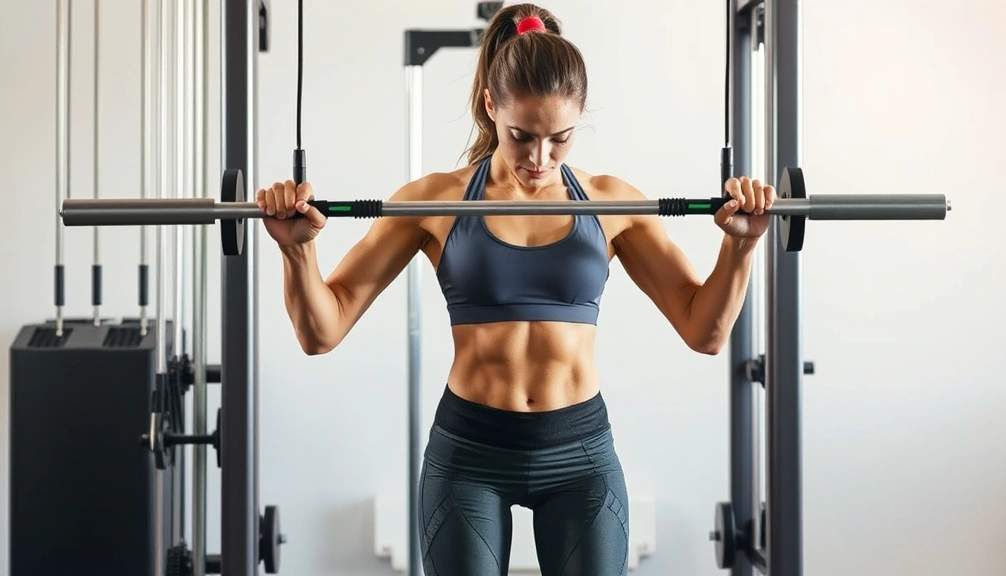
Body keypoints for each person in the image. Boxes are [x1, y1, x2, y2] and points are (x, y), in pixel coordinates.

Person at [256, 4, 774, 575]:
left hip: (580, 454)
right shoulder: (433, 202)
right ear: (490, 108)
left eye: (560, 139)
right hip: (469, 454)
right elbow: (320, 332)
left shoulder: (612, 204)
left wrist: (741, 246)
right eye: (521, 136)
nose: (539, 158)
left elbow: (705, 331)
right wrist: (296, 249)